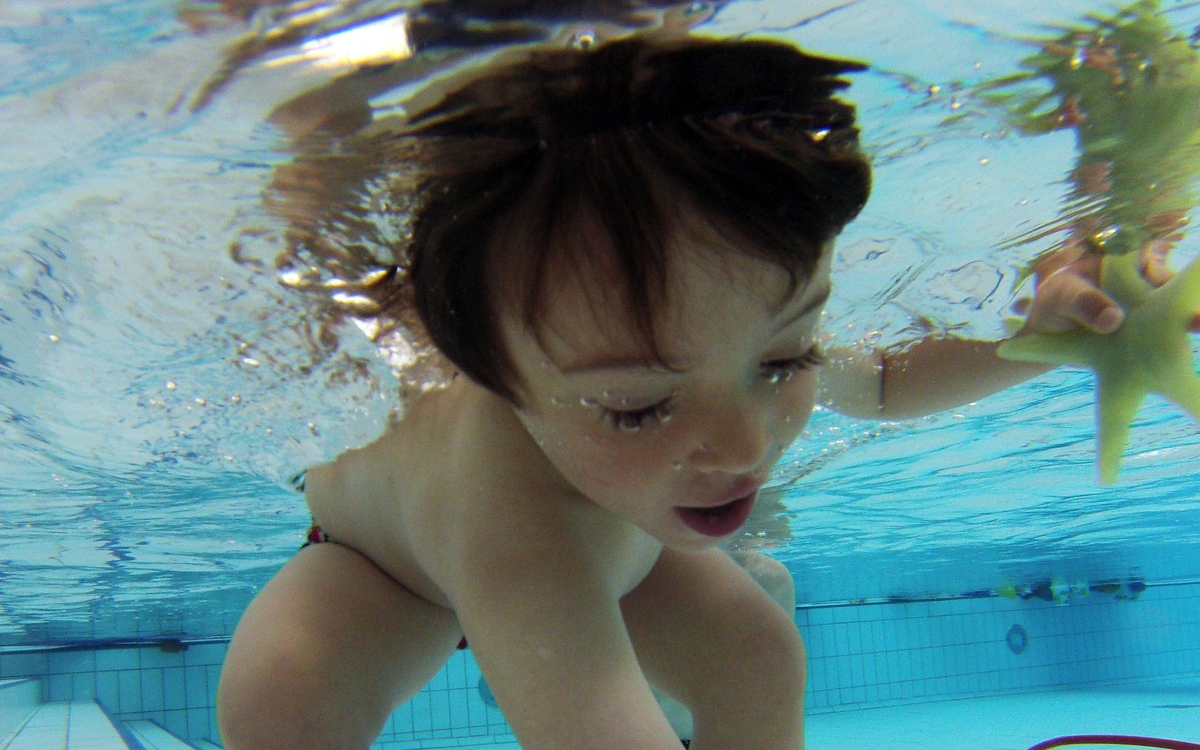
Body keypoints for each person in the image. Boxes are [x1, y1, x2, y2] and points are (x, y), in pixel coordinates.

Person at [216, 34, 1149, 750]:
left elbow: (893, 380)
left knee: (757, 656)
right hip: (384, 575)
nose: (744, 446)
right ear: (500, 383)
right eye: (637, 406)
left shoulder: (693, 369)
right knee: (277, 708)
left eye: (783, 363)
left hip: (625, 552)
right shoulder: (516, 529)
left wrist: (1047, 336)